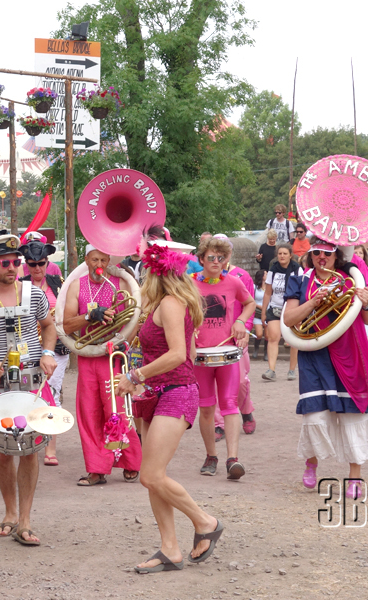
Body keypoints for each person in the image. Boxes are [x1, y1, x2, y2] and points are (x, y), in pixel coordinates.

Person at [115, 241, 223, 573]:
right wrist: (142, 374)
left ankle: (206, 522)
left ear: (154, 273)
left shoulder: (172, 304)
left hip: (175, 392)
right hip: (159, 391)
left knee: (149, 475)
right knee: (155, 475)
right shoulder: (168, 303)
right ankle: (170, 549)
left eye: (146, 270)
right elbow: (182, 353)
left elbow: (179, 355)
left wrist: (136, 374)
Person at [0, 234, 58, 545]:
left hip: (32, 380)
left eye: (16, 261)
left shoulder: (34, 294)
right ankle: (9, 513)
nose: (13, 267)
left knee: (30, 451)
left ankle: (26, 520)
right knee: (2, 453)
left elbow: (48, 326)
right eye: (6, 262)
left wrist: (46, 353)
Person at [282, 240, 368, 499]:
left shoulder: (352, 279)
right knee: (315, 415)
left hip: (349, 351)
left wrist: (367, 303)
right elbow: (290, 319)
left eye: (326, 252)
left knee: (353, 415)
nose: (321, 257)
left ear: (336, 254)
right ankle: (312, 462)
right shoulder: (300, 280)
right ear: (310, 255)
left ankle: (355, 477)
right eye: (316, 253)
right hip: (314, 353)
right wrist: (314, 302)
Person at [63, 245, 143, 486]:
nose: (98, 264)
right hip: (88, 355)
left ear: (109, 261)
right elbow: (66, 325)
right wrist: (89, 316)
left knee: (117, 410)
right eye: (94, 259)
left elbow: (133, 319)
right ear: (86, 260)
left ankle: (130, 462)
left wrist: (122, 344)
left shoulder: (121, 285)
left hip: (114, 356)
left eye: (103, 260)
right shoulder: (76, 285)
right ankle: (97, 468)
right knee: (89, 413)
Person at [192, 237, 255, 479]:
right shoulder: (190, 284)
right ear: (201, 260)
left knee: (230, 406)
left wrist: (240, 321)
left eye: (221, 258)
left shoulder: (234, 282)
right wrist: (189, 329)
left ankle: (232, 459)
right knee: (207, 409)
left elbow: (249, 303)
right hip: (200, 357)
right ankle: (211, 456)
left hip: (227, 353)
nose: (216, 262)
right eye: (211, 258)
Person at [19, 239, 69, 466]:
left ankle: (50, 447)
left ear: (48, 262)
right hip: (27, 349)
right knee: (27, 396)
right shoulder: (18, 286)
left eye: (41, 263)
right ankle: (29, 441)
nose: (37, 268)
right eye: (32, 264)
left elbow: (69, 312)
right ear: (26, 265)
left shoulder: (59, 283)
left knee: (52, 394)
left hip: (56, 348)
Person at [211, 234, 256, 439]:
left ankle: (246, 410)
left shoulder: (241, 276)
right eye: (214, 254)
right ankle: (219, 423)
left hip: (238, 337)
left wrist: (245, 329)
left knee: (240, 382)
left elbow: (249, 303)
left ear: (229, 254)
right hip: (215, 338)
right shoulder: (205, 278)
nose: (218, 258)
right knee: (216, 382)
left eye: (223, 254)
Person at [261, 243, 302, 381]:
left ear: (290, 255)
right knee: (273, 337)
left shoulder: (297, 270)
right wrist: (264, 312)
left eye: (285, 253)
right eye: (280, 254)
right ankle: (271, 370)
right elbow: (268, 292)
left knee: (293, 340)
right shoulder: (273, 270)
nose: (282, 256)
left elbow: (302, 291)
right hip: (275, 306)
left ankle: (291, 370)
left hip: (292, 307)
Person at [252, 270, 266, 359]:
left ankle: (266, 352)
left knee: (268, 336)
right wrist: (260, 306)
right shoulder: (254, 287)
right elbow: (251, 300)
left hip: (268, 313)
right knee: (259, 334)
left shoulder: (270, 287)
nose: (267, 275)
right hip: (258, 313)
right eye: (266, 274)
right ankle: (256, 348)